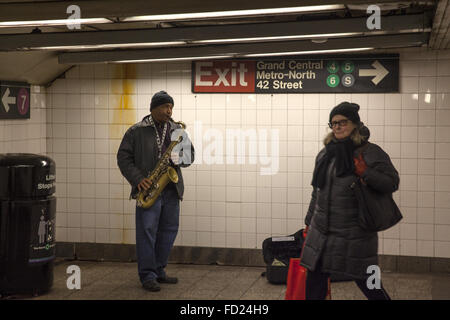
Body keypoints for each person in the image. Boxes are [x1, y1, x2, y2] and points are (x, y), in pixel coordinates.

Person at [300, 101, 398, 300]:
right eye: (333, 123)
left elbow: (391, 182)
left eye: (342, 122)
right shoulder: (325, 154)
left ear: (355, 124)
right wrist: (309, 222)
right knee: (314, 283)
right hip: (322, 232)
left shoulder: (371, 152)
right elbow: (317, 191)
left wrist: (366, 172)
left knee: (370, 283)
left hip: (355, 233)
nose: (337, 127)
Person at [117, 90, 195, 292]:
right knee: (147, 233)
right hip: (149, 188)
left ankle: (159, 270)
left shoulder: (177, 130)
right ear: (153, 108)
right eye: (165, 107)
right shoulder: (136, 131)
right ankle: (147, 275)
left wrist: (180, 158)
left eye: (171, 107)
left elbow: (190, 155)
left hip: (171, 189)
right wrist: (137, 179)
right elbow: (123, 158)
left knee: (169, 231)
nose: (169, 111)